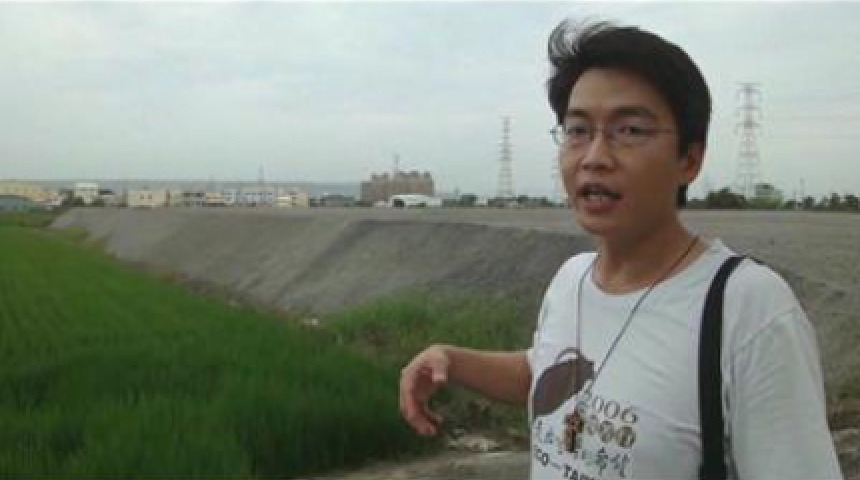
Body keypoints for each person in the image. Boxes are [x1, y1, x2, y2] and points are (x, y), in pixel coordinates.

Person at [398, 18, 843, 480]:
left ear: (689, 160)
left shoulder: (748, 308)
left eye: (629, 130)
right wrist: (453, 360)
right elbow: (546, 376)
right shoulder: (571, 279)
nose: (594, 157)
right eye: (577, 130)